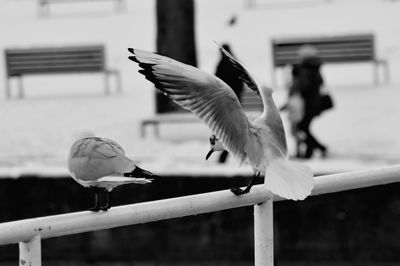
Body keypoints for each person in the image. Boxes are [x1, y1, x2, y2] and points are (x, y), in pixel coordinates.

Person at [289, 45, 328, 159]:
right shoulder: (314, 68)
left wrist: (297, 74)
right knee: (304, 127)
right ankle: (309, 152)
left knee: (302, 127)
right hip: (313, 104)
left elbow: (304, 87)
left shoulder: (306, 70)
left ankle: (320, 147)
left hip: (307, 105)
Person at [214, 43, 244, 163]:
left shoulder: (221, 66)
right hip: (235, 103)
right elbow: (240, 85)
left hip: (224, 103)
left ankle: (226, 154)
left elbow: (216, 83)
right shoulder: (235, 64)